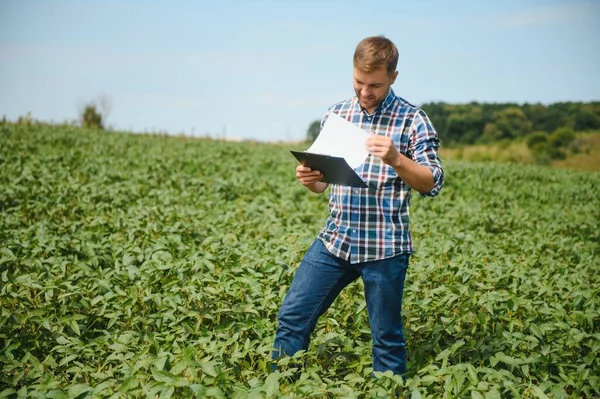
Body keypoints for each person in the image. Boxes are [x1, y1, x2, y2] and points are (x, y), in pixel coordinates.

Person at [272, 35, 444, 376]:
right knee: (293, 316)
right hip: (336, 239)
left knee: (386, 338)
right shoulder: (337, 114)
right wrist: (311, 180)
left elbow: (431, 182)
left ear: (393, 77)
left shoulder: (412, 120)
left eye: (375, 85)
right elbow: (323, 182)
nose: (365, 92)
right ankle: (281, 385)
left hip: (384, 247)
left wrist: (396, 158)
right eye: (359, 82)